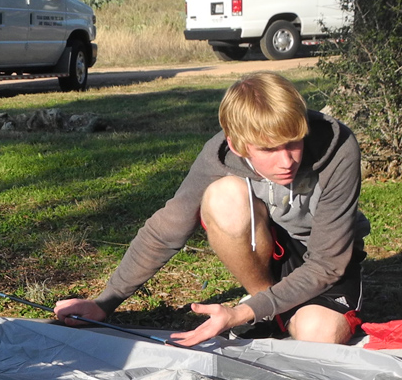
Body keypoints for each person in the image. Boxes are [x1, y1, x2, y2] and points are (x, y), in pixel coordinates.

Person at [54, 71, 369, 347]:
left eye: (293, 143)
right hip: (271, 248)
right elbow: (166, 230)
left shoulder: (337, 147)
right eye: (269, 149)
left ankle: (264, 311)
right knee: (223, 196)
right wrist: (105, 303)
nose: (286, 161)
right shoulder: (220, 155)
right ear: (237, 144)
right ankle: (268, 310)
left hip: (324, 255)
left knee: (321, 334)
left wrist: (240, 313)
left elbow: (327, 263)